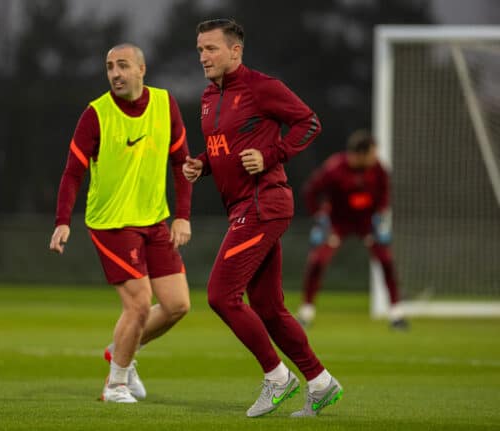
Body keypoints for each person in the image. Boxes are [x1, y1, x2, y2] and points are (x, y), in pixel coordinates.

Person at [183, 18, 342, 418]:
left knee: (221, 295)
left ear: (235, 51)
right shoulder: (207, 97)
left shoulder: (261, 87)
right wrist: (201, 165)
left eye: (211, 49)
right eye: (200, 49)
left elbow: (310, 122)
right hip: (243, 208)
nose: (203, 56)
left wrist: (273, 155)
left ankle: (277, 377)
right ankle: (320, 383)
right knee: (269, 308)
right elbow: (225, 150)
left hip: (263, 206)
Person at [49, 43, 192, 403]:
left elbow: (182, 164)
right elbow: (72, 172)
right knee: (140, 304)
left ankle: (122, 351)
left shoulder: (165, 104)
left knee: (177, 306)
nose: (115, 73)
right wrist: (62, 221)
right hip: (111, 223)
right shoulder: (95, 114)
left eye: (123, 65)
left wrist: (182, 216)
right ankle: (115, 385)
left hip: (154, 220)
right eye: (110, 67)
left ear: (142, 70)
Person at [297, 129, 408, 329]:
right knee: (318, 261)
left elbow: (384, 194)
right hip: (338, 222)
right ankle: (306, 312)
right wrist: (320, 216)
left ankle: (396, 314)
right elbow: (311, 190)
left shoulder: (378, 169)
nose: (376, 157)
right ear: (360, 154)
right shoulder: (334, 169)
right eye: (372, 153)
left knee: (386, 260)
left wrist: (380, 215)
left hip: (366, 223)